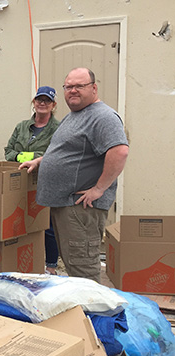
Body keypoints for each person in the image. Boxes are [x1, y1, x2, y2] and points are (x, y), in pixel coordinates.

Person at [21, 68, 129, 283]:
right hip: (66, 206)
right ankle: (80, 312)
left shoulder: (103, 116)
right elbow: (69, 151)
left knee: (83, 270)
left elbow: (120, 151)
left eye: (79, 86)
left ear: (94, 88)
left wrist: (99, 189)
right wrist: (41, 161)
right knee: (73, 264)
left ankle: (90, 314)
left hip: (80, 208)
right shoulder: (76, 116)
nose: (73, 91)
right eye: (68, 87)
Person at [5, 86, 62, 275]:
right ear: (34, 102)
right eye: (39, 100)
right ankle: (26, 262)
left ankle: (51, 266)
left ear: (53, 105)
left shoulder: (58, 128)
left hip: (46, 182)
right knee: (22, 222)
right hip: (19, 184)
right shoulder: (22, 126)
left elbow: (55, 155)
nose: (42, 103)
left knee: (47, 225)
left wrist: (32, 158)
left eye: (47, 100)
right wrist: (31, 157)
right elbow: (8, 152)